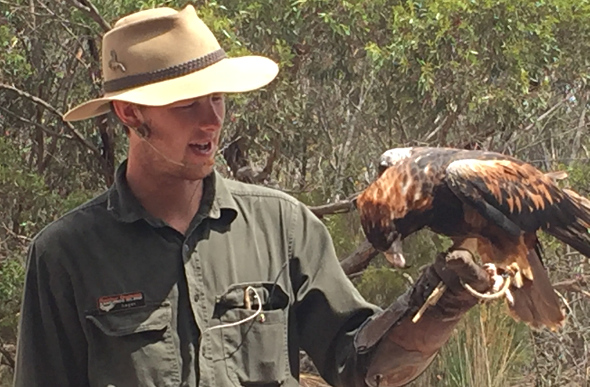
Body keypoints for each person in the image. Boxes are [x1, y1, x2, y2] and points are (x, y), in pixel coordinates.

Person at [13, 5, 492, 387]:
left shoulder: (285, 228)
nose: (212, 120)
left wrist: (439, 303)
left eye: (218, 98)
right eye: (187, 104)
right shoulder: (66, 254)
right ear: (129, 113)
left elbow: (359, 366)